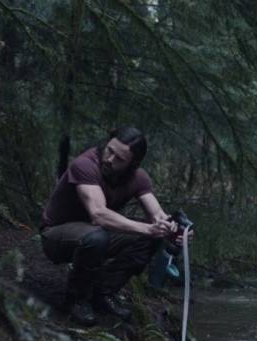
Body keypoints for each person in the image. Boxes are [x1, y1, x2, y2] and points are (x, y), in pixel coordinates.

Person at [40, 126, 181, 326]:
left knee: (151, 238)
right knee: (97, 237)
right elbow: (98, 214)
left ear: (133, 163)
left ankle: (102, 293)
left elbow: (158, 216)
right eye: (109, 150)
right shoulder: (85, 165)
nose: (110, 159)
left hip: (95, 234)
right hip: (55, 236)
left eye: (120, 159)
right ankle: (76, 300)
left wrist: (174, 231)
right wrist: (147, 228)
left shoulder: (138, 177)